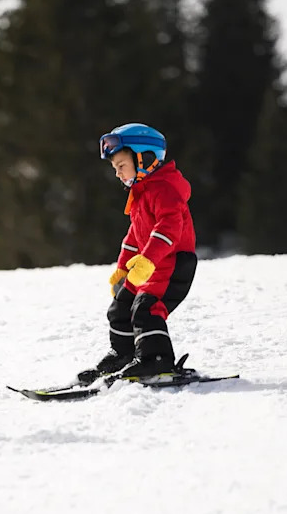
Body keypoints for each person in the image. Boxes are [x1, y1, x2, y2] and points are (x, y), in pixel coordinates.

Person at [77, 123, 197, 384]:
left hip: (172, 263)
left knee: (147, 309)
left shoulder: (165, 189)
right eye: (115, 169)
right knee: (120, 306)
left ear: (145, 158)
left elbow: (168, 229)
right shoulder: (141, 193)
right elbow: (134, 237)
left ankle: (157, 361)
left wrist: (147, 261)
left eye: (121, 166)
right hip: (149, 265)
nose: (118, 174)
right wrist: (123, 268)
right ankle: (124, 355)